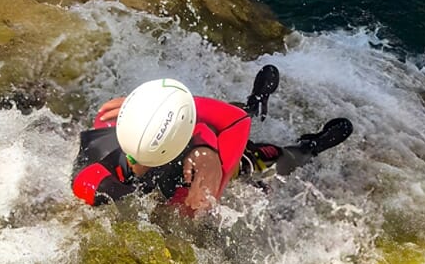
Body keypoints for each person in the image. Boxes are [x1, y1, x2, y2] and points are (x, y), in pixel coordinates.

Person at [71, 66, 353, 213]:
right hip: (189, 142)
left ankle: (307, 145)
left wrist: (211, 158)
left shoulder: (116, 117)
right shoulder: (95, 170)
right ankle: (253, 105)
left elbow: (234, 122)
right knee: (222, 126)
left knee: (260, 159)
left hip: (199, 140)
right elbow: (90, 188)